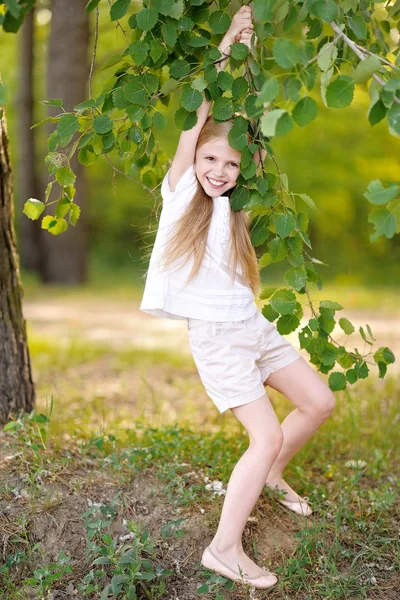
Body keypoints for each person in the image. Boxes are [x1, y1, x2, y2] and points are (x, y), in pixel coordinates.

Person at [140, 5, 336, 591]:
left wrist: (253, 65)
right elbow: (199, 114)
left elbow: (243, 125)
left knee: (319, 402)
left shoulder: (230, 205)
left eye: (230, 162)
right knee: (266, 432)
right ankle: (224, 548)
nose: (219, 170)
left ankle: (270, 475)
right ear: (194, 158)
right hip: (219, 339)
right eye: (209, 158)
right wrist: (228, 44)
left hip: (251, 326)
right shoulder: (180, 194)